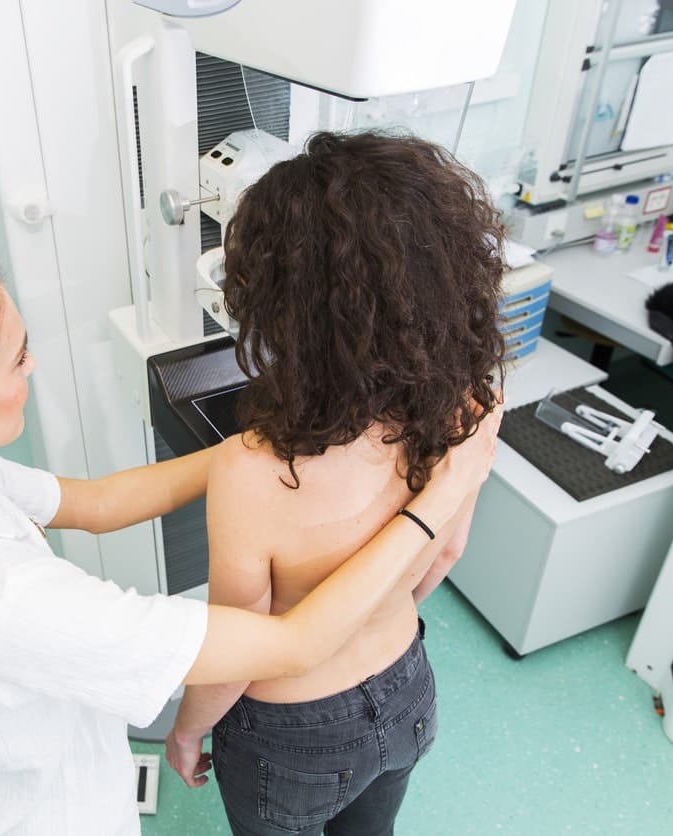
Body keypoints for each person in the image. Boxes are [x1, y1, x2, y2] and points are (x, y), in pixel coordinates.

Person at [0, 247, 500, 835]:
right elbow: (293, 643)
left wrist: (251, 451)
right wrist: (445, 496)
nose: (33, 365)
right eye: (19, 358)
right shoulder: (6, 603)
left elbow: (93, 503)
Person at [165, 131, 507, 836]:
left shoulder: (253, 471)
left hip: (290, 735)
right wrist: (377, 620)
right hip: (408, 687)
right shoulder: (470, 403)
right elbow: (443, 553)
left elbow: (240, 648)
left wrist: (186, 729)